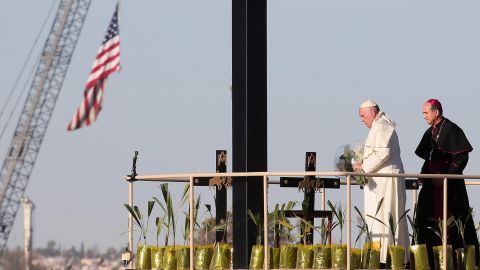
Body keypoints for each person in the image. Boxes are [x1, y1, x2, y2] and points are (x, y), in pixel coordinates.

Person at [414, 98, 479, 269]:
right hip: (431, 185)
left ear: (436, 112)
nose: (424, 116)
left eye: (426, 112)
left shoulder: (451, 129)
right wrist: (423, 174)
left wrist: (445, 176)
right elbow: (429, 157)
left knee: (454, 221)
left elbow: (461, 157)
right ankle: (429, 260)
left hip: (449, 185)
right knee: (426, 219)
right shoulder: (430, 132)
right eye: (423, 113)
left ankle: (457, 261)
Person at [353, 100, 409, 266]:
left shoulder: (382, 125)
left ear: (372, 112)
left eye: (363, 116)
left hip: (386, 180)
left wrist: (363, 168)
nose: (362, 120)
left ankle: (389, 258)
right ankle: (382, 256)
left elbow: (383, 153)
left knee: (387, 216)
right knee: (379, 217)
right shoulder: (378, 126)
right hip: (380, 181)